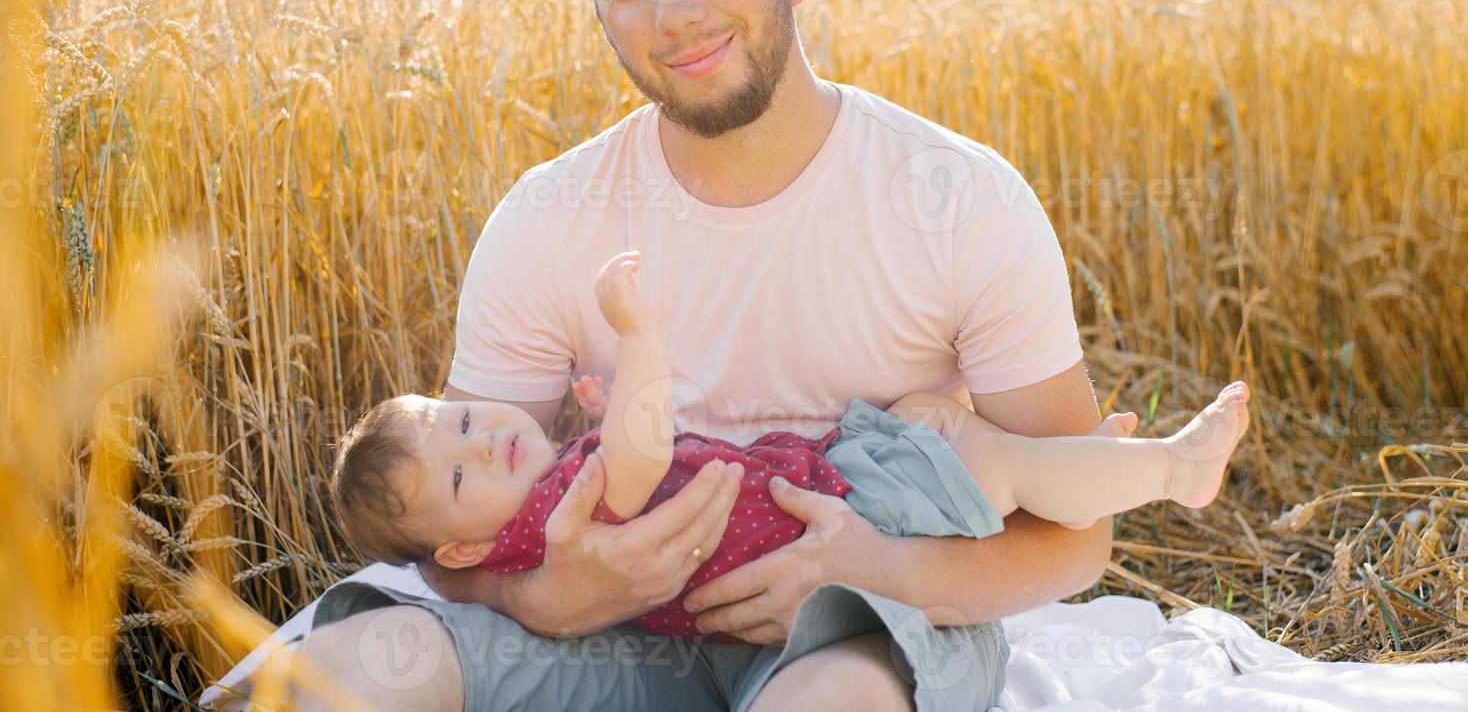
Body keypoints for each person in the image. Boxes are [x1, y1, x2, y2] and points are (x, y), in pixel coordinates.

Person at [293, 0, 1128, 711]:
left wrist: (881, 569)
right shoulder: (546, 220)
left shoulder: (959, 198)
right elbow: (447, 538)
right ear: (602, 14)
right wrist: (545, 594)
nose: (675, 12)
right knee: (353, 666)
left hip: (861, 623)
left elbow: (1077, 536)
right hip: (611, 636)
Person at [327, 248, 1251, 653]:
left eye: (460, 421)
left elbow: (634, 462)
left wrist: (598, 425)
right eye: (458, 472)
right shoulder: (563, 515)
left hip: (830, 486)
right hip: (842, 510)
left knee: (951, 422)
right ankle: (1176, 467)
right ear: (462, 548)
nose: (483, 440)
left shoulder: (534, 521)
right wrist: (637, 337)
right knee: (999, 465)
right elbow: (644, 455)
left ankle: (1083, 475)